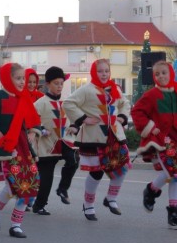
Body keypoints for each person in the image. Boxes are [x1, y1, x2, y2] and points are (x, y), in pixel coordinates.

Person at [0, 63, 41, 238]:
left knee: (30, 182)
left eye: (23, 79)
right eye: (18, 78)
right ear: (6, 79)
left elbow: (34, 119)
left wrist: (33, 132)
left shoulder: (24, 98)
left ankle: (15, 224)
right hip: (6, 147)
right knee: (15, 184)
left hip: (23, 146)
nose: (22, 82)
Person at [63, 59, 131, 221]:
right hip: (94, 138)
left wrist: (122, 116)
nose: (104, 74)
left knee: (123, 167)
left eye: (106, 71)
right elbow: (68, 103)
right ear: (94, 72)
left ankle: (111, 198)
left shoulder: (115, 88)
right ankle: (88, 205)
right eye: (100, 71)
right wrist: (83, 118)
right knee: (96, 173)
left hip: (115, 136)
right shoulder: (86, 90)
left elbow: (125, 103)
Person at [131, 60, 177, 226]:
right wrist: (151, 127)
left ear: (170, 73)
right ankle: (151, 190)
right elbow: (137, 111)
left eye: (164, 73)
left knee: (175, 177)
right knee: (172, 172)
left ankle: (173, 210)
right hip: (162, 139)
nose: (161, 76)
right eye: (157, 74)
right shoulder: (152, 95)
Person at [30, 66, 79, 215]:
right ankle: (39, 205)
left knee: (73, 161)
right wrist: (42, 129)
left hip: (63, 142)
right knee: (46, 180)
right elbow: (31, 121)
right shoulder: (40, 103)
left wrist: (74, 127)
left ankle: (63, 189)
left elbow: (75, 119)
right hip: (46, 146)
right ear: (48, 84)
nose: (59, 86)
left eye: (61, 83)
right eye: (56, 83)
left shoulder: (66, 103)